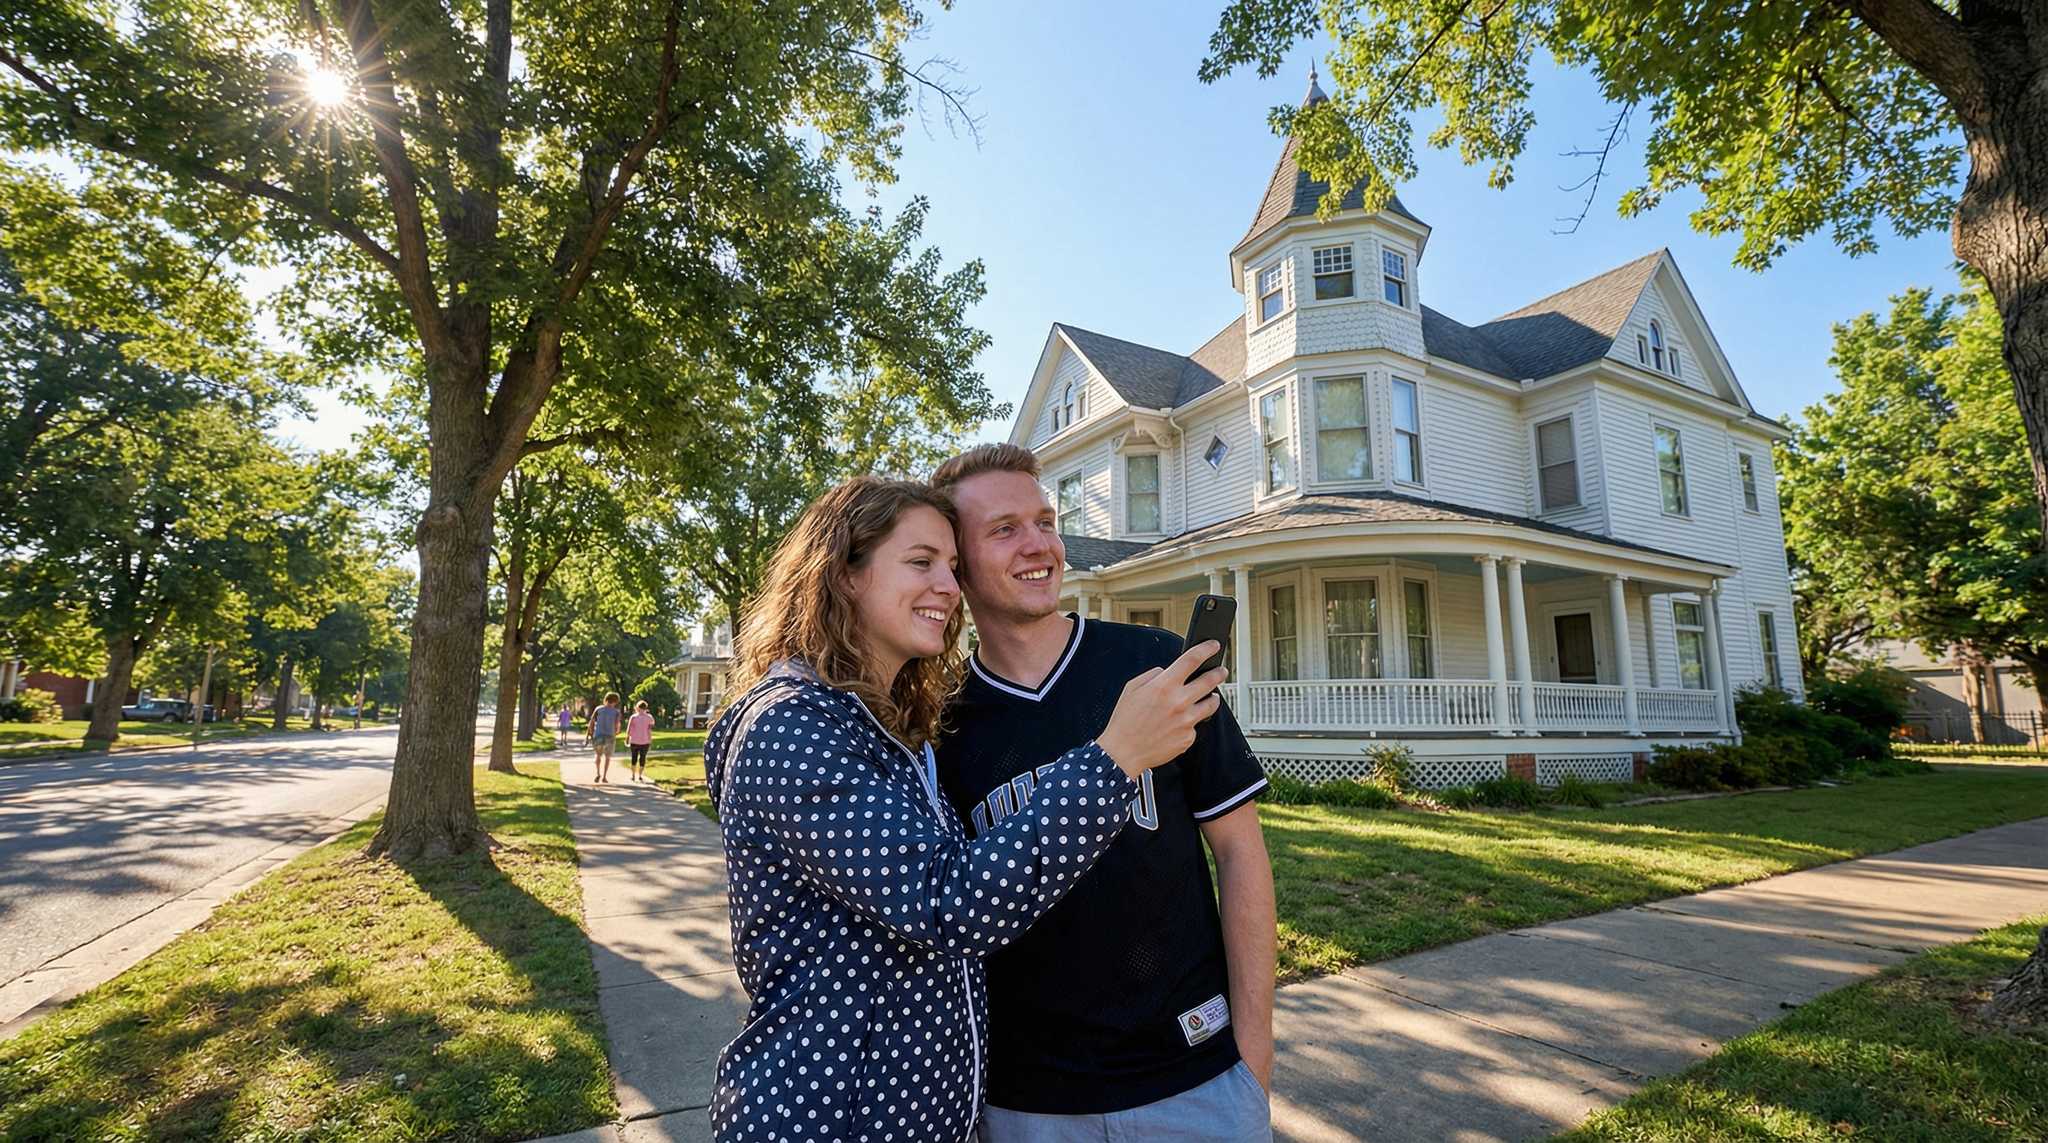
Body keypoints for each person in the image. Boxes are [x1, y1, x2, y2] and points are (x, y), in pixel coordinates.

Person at [702, 476, 1226, 1143]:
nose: (950, 588)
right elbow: (948, 900)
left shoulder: (886, 728)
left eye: (952, 566)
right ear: (844, 574)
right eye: (920, 562)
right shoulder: (791, 727)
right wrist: (1115, 756)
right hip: (828, 1120)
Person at [930, 443, 1276, 1141]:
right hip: (1028, 1102)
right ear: (957, 564)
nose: (1041, 544)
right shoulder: (941, 725)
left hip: (1196, 1078)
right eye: (1005, 529)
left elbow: (1240, 851)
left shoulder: (1150, 662)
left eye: (1046, 520)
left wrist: (1253, 1056)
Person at [589, 692, 622, 783]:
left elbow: (591, 722)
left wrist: (591, 733)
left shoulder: (598, 709)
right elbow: (617, 724)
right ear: (615, 701)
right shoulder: (616, 712)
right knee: (608, 757)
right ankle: (604, 776)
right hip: (610, 736)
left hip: (598, 735)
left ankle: (597, 773)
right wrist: (617, 731)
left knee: (598, 755)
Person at [626, 700, 654, 781]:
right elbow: (650, 729)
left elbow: (628, 730)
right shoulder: (649, 717)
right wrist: (650, 740)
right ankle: (640, 775)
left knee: (633, 758)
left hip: (634, 741)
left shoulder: (633, 717)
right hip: (645, 741)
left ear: (637, 707)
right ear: (645, 708)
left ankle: (633, 775)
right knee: (643, 758)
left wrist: (627, 738)